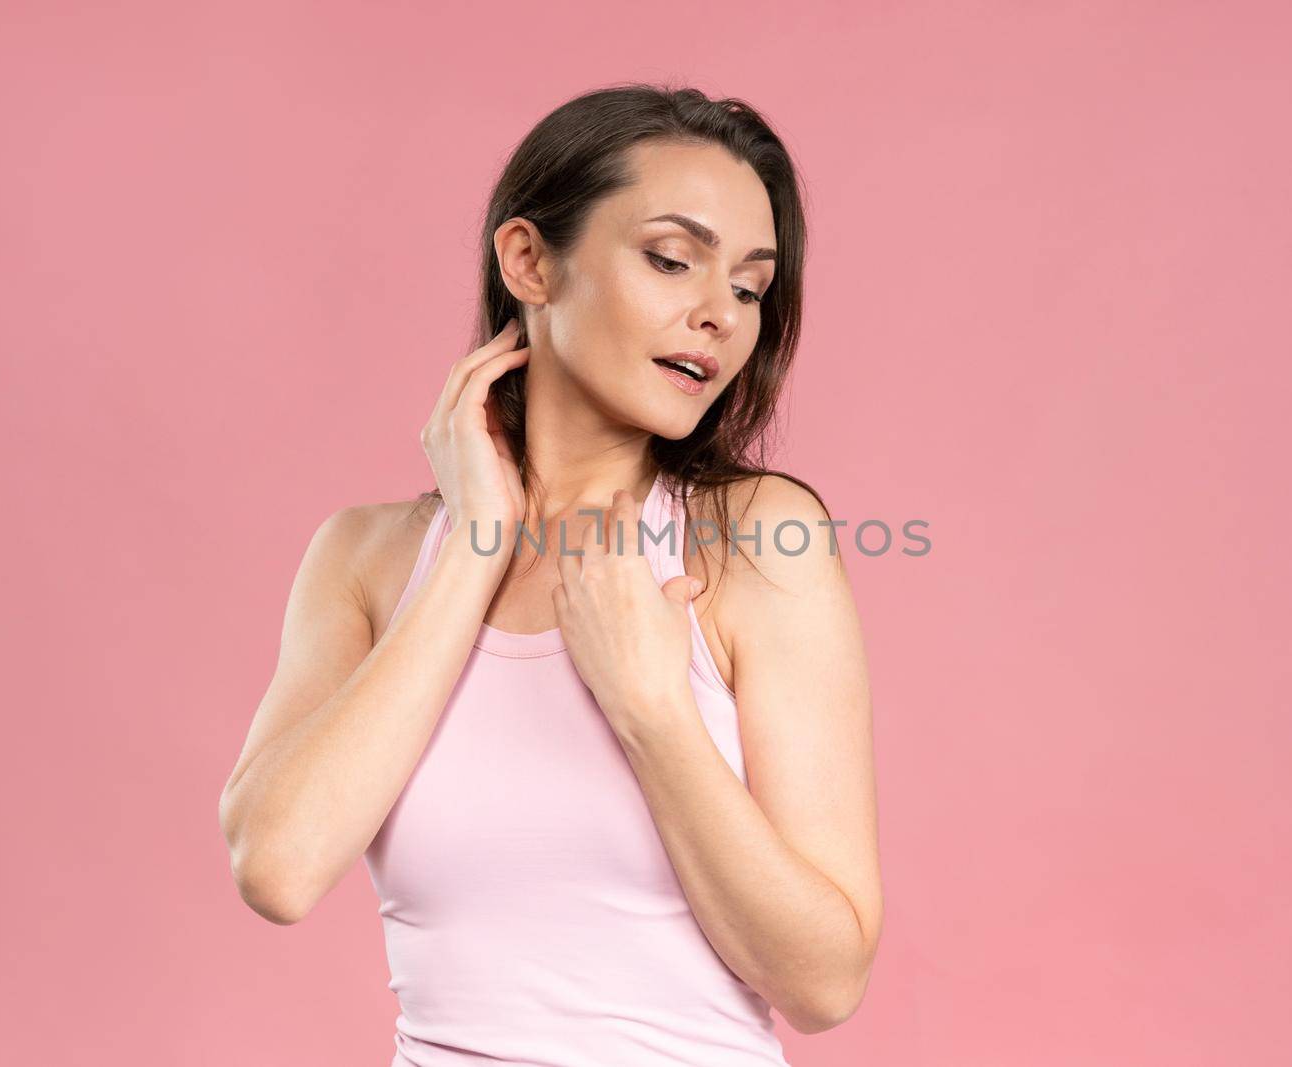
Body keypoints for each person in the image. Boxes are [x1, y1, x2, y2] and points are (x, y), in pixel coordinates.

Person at [218, 83, 882, 1066]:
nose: (719, 316)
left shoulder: (754, 538)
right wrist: (475, 546)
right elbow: (277, 866)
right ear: (529, 261)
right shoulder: (362, 556)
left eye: (748, 286)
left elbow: (823, 980)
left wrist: (653, 706)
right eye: (670, 259)